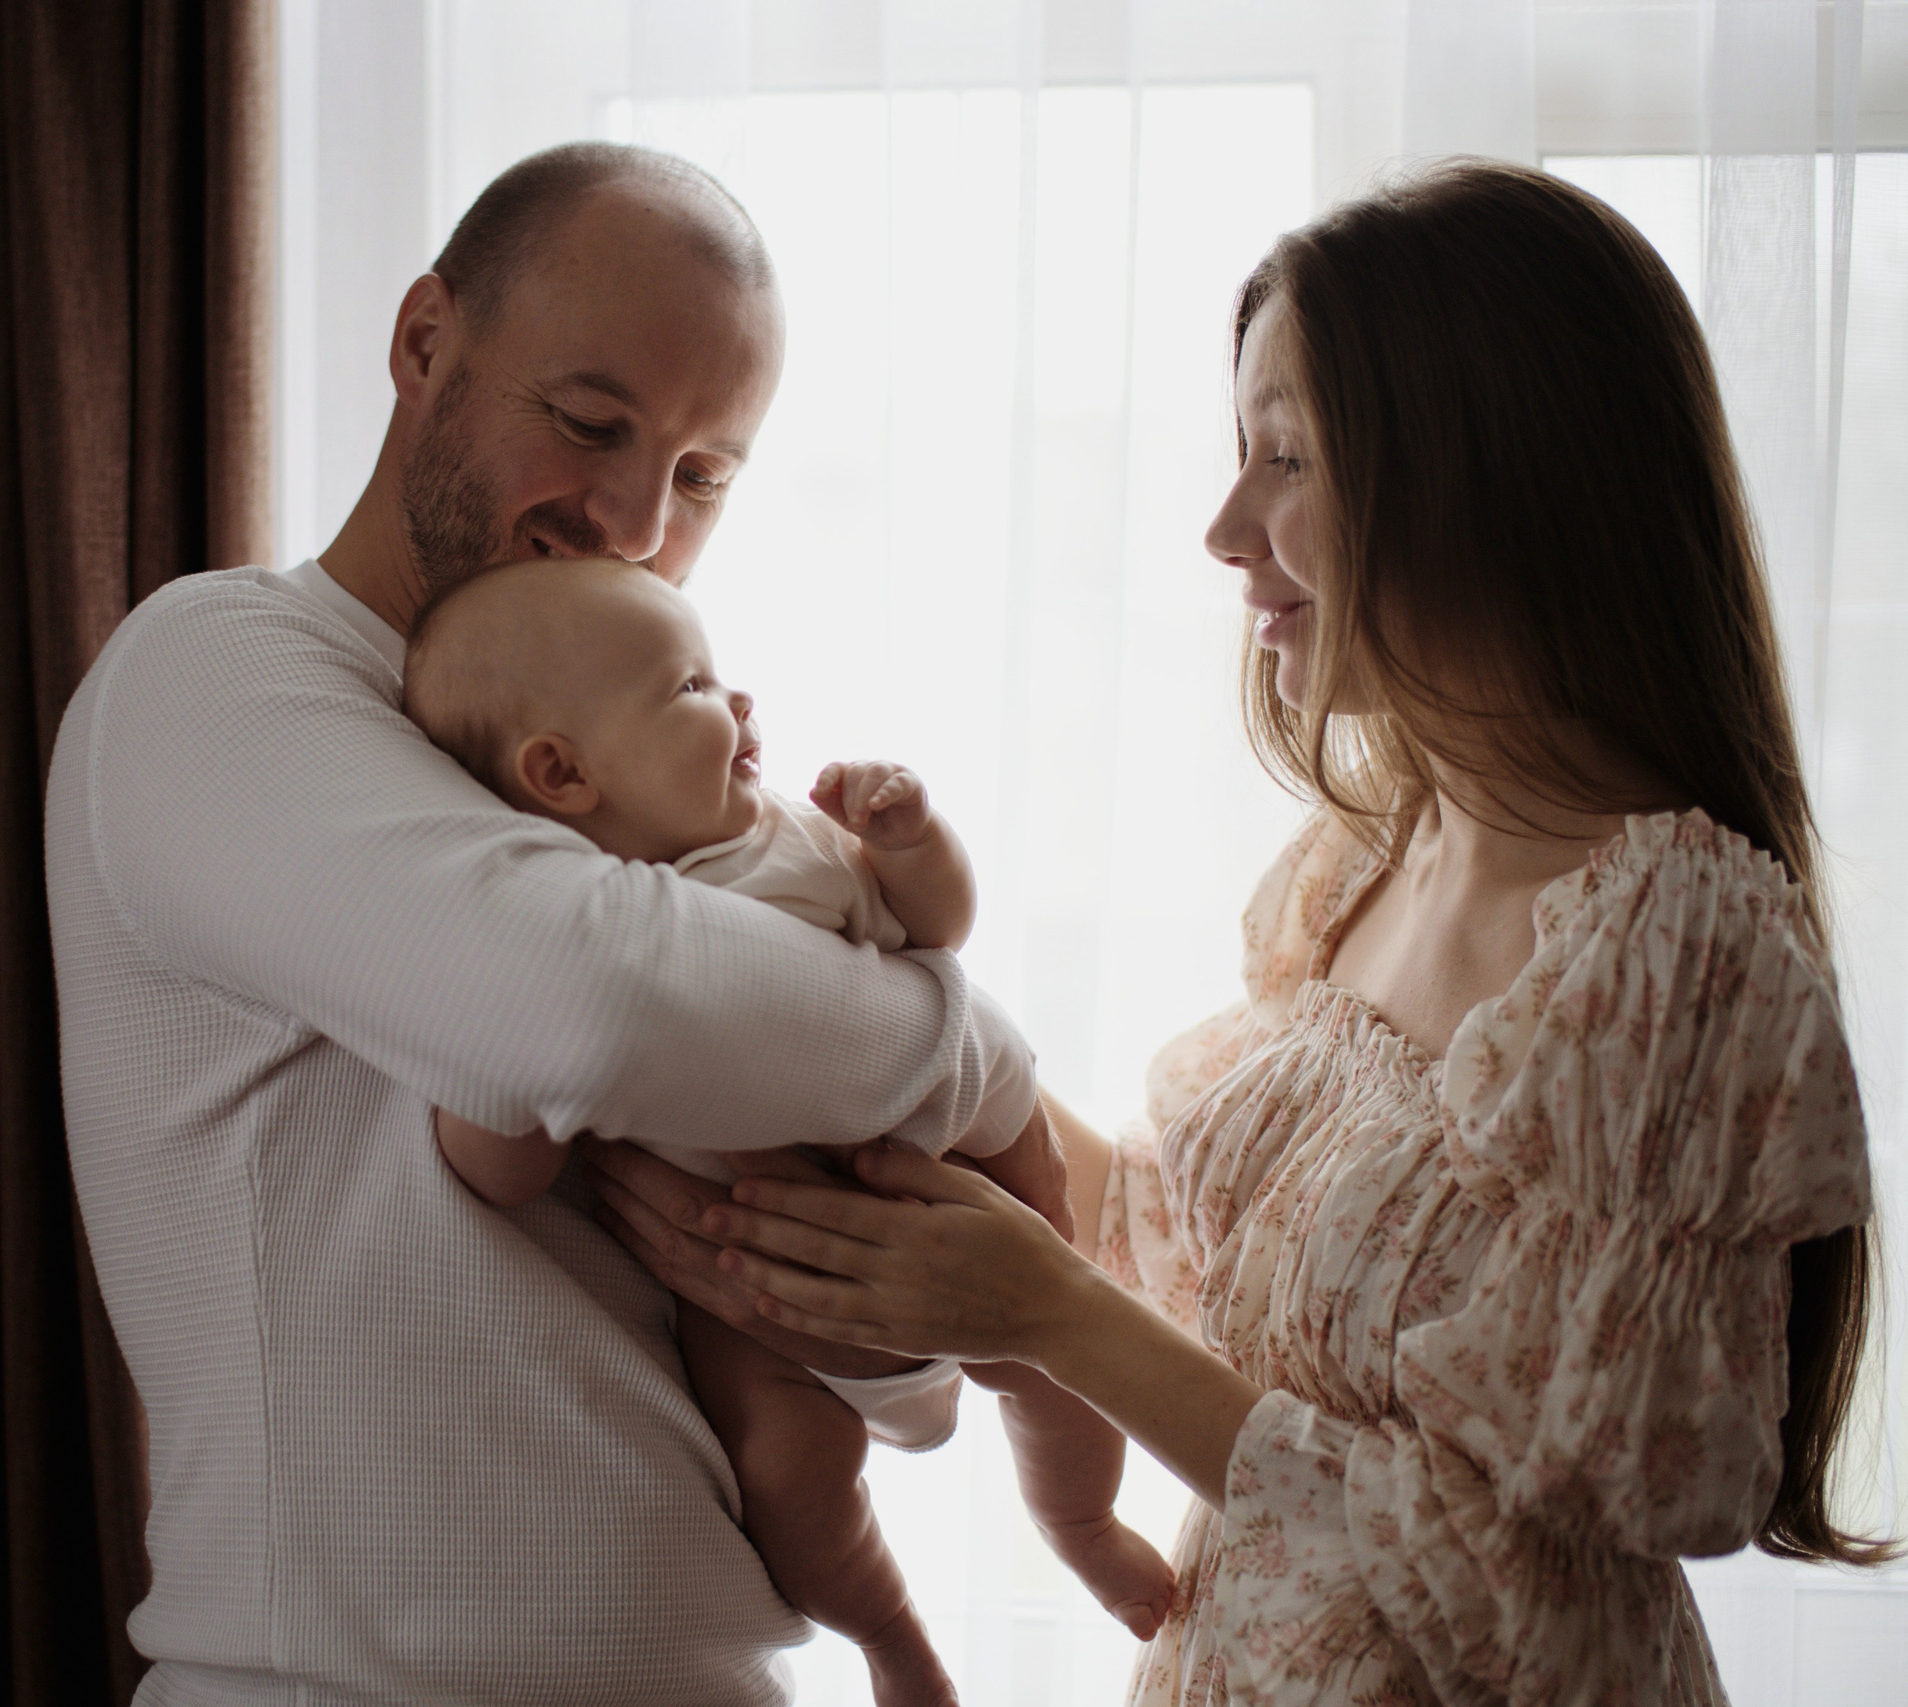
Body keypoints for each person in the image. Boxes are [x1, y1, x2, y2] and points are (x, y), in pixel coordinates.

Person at [597, 159, 1891, 1705]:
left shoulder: (1673, 951)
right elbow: (1197, 1246)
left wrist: (1045, 1314)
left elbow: (1523, 1588)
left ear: (1492, 471)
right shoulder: (1366, 860)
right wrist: (820, 1003)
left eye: (1286, 455)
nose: (1225, 526)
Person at [45, 142, 1060, 1706]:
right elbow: (597, 1012)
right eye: (590, 425)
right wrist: (964, 1042)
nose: (636, 521)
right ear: (423, 341)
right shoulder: (217, 675)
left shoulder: (644, 784)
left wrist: (854, 1283)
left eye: (704, 473)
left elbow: (908, 1368)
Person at [400, 558, 1175, 1699]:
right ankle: (893, 1641)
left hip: (951, 1190)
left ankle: (1084, 1526)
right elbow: (497, 1171)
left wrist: (910, 841)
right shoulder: (552, 940)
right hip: (761, 1303)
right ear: (561, 773)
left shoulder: (784, 843)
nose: (741, 701)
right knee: (783, 1472)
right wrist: (489, 1039)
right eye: (691, 687)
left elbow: (937, 928)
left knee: (1058, 1360)